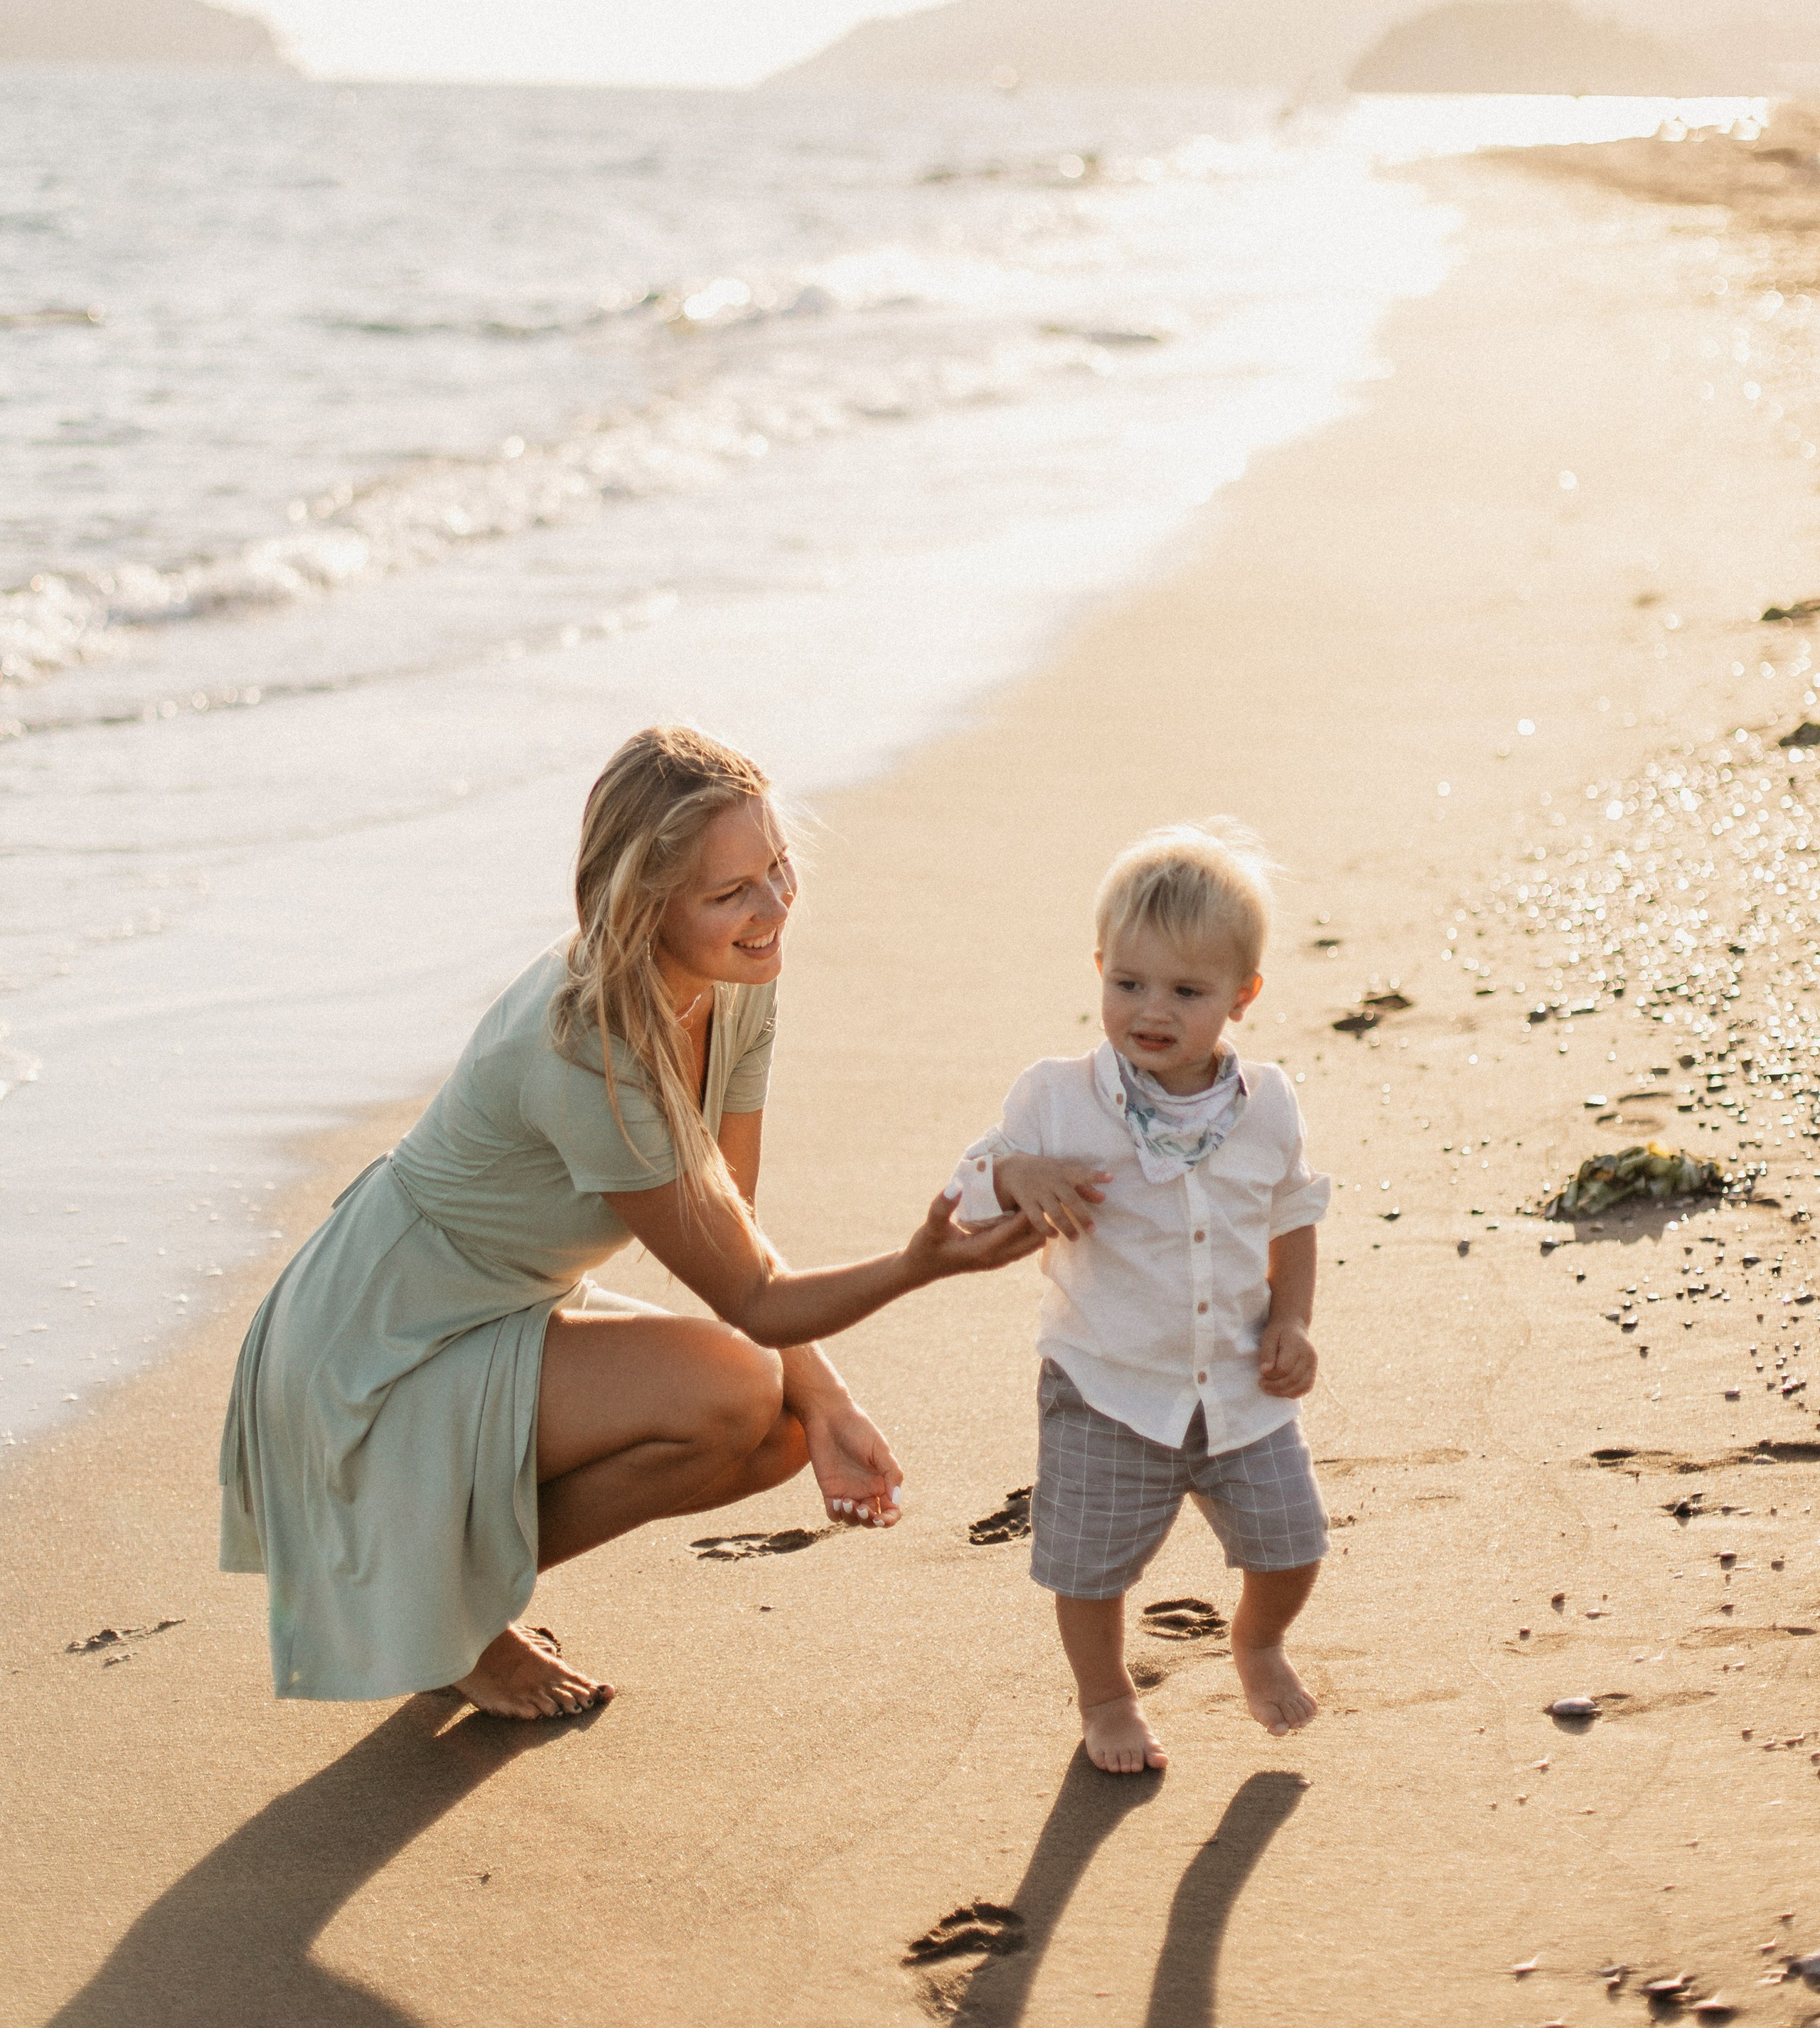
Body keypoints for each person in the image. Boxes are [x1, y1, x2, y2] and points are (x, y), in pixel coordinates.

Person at [220, 725, 1034, 1719]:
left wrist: (830, 1404)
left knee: (783, 1426)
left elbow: (735, 1227)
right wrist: (923, 1262)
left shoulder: (735, 981)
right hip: (375, 1348)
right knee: (739, 1384)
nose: (775, 907)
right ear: (648, 906)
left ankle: (438, 1594)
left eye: (777, 867)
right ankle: (452, 1616)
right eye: (731, 892)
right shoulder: (586, 1046)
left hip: (499, 1309)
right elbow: (752, 1298)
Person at [946, 822, 1330, 1773]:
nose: (1152, 1011)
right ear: (1100, 971)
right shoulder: (1057, 1097)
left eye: (1187, 992)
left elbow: (1293, 1216)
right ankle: (1107, 1697)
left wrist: (1292, 1319)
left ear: (1243, 996)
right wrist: (1020, 1173)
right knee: (1089, 1568)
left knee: (1293, 1542)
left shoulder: (1268, 1104)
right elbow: (964, 1195)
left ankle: (1258, 1641)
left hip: (1240, 1384)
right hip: (1105, 1387)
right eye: (1129, 983)